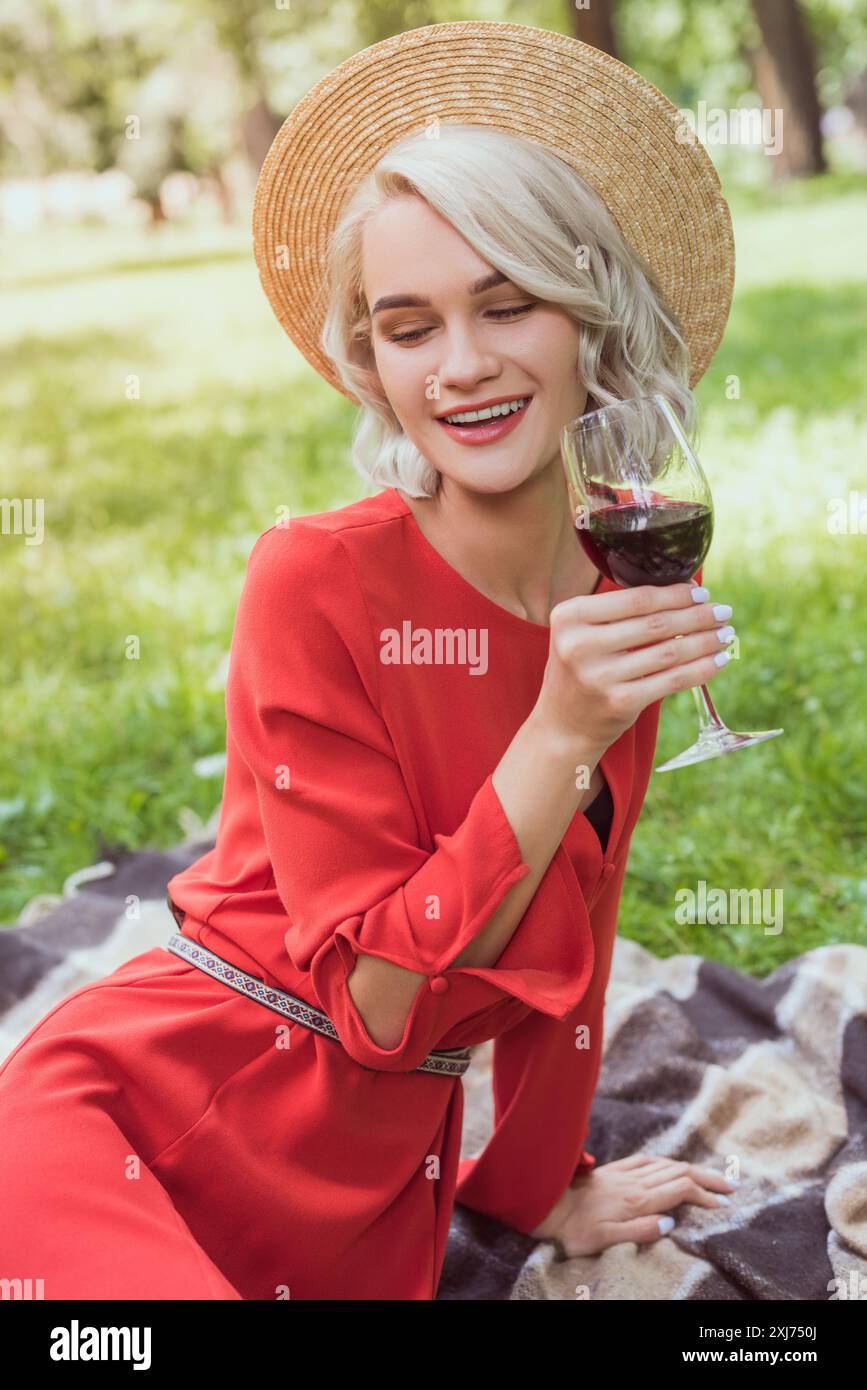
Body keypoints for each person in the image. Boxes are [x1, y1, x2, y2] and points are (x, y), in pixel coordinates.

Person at [0, 22, 740, 1301]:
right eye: (409, 327)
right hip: (142, 1117)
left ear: (588, 323)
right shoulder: (317, 580)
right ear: (372, 362)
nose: (460, 365)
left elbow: (579, 935)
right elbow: (381, 1009)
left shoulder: (609, 598)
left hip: (374, 1203)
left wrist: (535, 1190)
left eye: (507, 305)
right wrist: (558, 734)